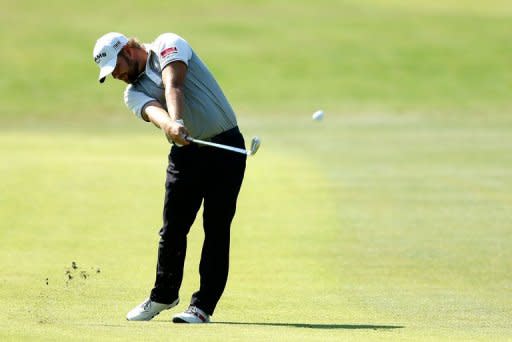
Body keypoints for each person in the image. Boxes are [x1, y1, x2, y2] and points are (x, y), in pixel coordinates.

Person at [92, 32, 247, 323]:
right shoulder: (132, 93)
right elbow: (154, 112)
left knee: (216, 227)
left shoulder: (168, 44)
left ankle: (202, 307)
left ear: (128, 49)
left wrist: (176, 121)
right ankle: (164, 295)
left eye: (116, 67)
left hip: (225, 147)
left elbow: (173, 84)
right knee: (172, 228)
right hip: (185, 154)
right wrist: (170, 126)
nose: (116, 75)